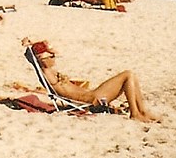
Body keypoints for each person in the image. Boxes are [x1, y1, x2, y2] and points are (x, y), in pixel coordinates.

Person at [24, 38, 160, 122]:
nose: (54, 57)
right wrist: (32, 50)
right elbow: (34, 57)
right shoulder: (47, 72)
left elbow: (35, 56)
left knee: (131, 75)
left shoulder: (48, 71)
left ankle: (142, 111)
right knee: (128, 75)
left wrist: (31, 44)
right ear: (42, 59)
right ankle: (135, 113)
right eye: (51, 56)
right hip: (93, 99)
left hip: (92, 95)